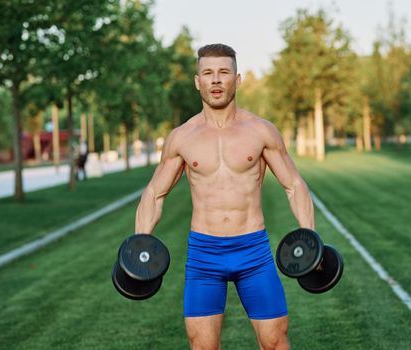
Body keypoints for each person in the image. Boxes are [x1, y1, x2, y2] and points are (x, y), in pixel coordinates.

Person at [134, 43, 315, 350]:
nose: (215, 80)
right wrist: (140, 248)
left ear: (237, 79)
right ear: (197, 81)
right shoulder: (182, 137)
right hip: (204, 255)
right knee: (202, 346)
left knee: (275, 342)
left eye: (223, 72)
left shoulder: (261, 131)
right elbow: (154, 192)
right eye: (208, 73)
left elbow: (294, 185)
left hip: (253, 252)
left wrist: (309, 237)